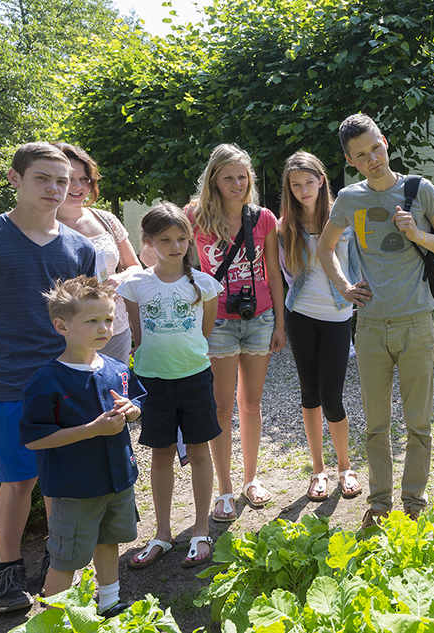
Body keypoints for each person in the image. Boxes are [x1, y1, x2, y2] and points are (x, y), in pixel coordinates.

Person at [317, 114, 434, 529]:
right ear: (351, 160)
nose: (373, 159)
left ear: (385, 141)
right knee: (376, 425)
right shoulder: (348, 199)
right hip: (370, 327)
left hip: (417, 322)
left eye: (376, 148)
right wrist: (345, 288)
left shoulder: (419, 189)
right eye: (361, 155)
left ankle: (414, 505)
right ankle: (380, 505)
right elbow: (325, 249)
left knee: (419, 423)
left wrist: (418, 234)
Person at [0, 143, 96, 612]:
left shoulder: (81, 248)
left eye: (63, 181)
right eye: (42, 178)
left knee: (62, 480)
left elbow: (90, 319)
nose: (55, 189)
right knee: (18, 482)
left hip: (66, 383)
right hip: (8, 384)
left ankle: (61, 564)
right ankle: (8, 570)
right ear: (14, 179)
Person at [19, 276, 145, 617]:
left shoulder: (117, 368)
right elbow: (34, 438)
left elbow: (136, 401)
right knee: (68, 556)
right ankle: (52, 619)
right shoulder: (48, 381)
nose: (104, 327)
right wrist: (91, 430)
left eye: (107, 318)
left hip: (118, 478)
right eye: (92, 321)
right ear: (62, 325)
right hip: (75, 488)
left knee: (110, 539)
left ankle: (109, 602)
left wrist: (133, 411)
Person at [117, 203, 223, 569]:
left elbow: (205, 332)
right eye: (165, 240)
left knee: (198, 451)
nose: (175, 246)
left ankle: (199, 529)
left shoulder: (205, 284)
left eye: (181, 239)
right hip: (152, 381)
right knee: (160, 454)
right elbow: (137, 334)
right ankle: (162, 532)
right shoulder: (134, 285)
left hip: (195, 378)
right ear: (147, 242)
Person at [187, 144, 286, 522]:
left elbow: (274, 273)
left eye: (242, 176)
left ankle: (251, 479)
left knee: (251, 405)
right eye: (228, 177)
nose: (237, 183)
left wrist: (280, 322)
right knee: (221, 407)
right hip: (218, 322)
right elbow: (181, 263)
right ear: (213, 179)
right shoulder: (194, 217)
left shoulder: (263, 219)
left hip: (259, 318)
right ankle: (224, 489)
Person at [278, 151, 362, 502]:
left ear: (321, 180)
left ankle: (345, 467)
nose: (302, 190)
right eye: (295, 185)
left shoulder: (343, 216)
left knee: (332, 397)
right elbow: (284, 275)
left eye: (308, 182)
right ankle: (318, 471)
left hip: (337, 316)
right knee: (310, 395)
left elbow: (358, 261)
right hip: (300, 315)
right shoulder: (285, 227)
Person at [52, 143, 143, 364]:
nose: (78, 186)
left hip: (113, 329)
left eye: (85, 179)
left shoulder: (107, 220)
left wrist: (117, 280)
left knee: (113, 393)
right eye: (70, 178)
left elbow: (135, 266)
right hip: (64, 334)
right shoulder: (42, 226)